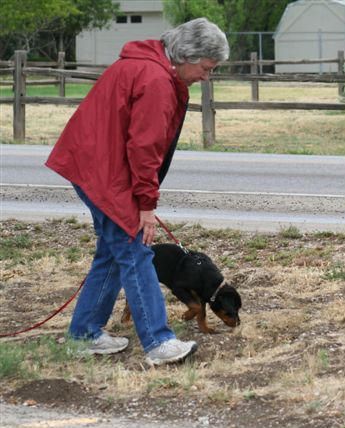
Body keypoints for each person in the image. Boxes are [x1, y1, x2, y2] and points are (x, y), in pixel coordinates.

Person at [45, 17, 229, 366]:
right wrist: (146, 205)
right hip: (104, 172)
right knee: (136, 250)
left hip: (95, 166)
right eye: (207, 68)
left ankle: (84, 334)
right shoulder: (156, 79)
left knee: (114, 253)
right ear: (187, 55)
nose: (207, 76)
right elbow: (144, 149)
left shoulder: (148, 64)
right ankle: (158, 342)